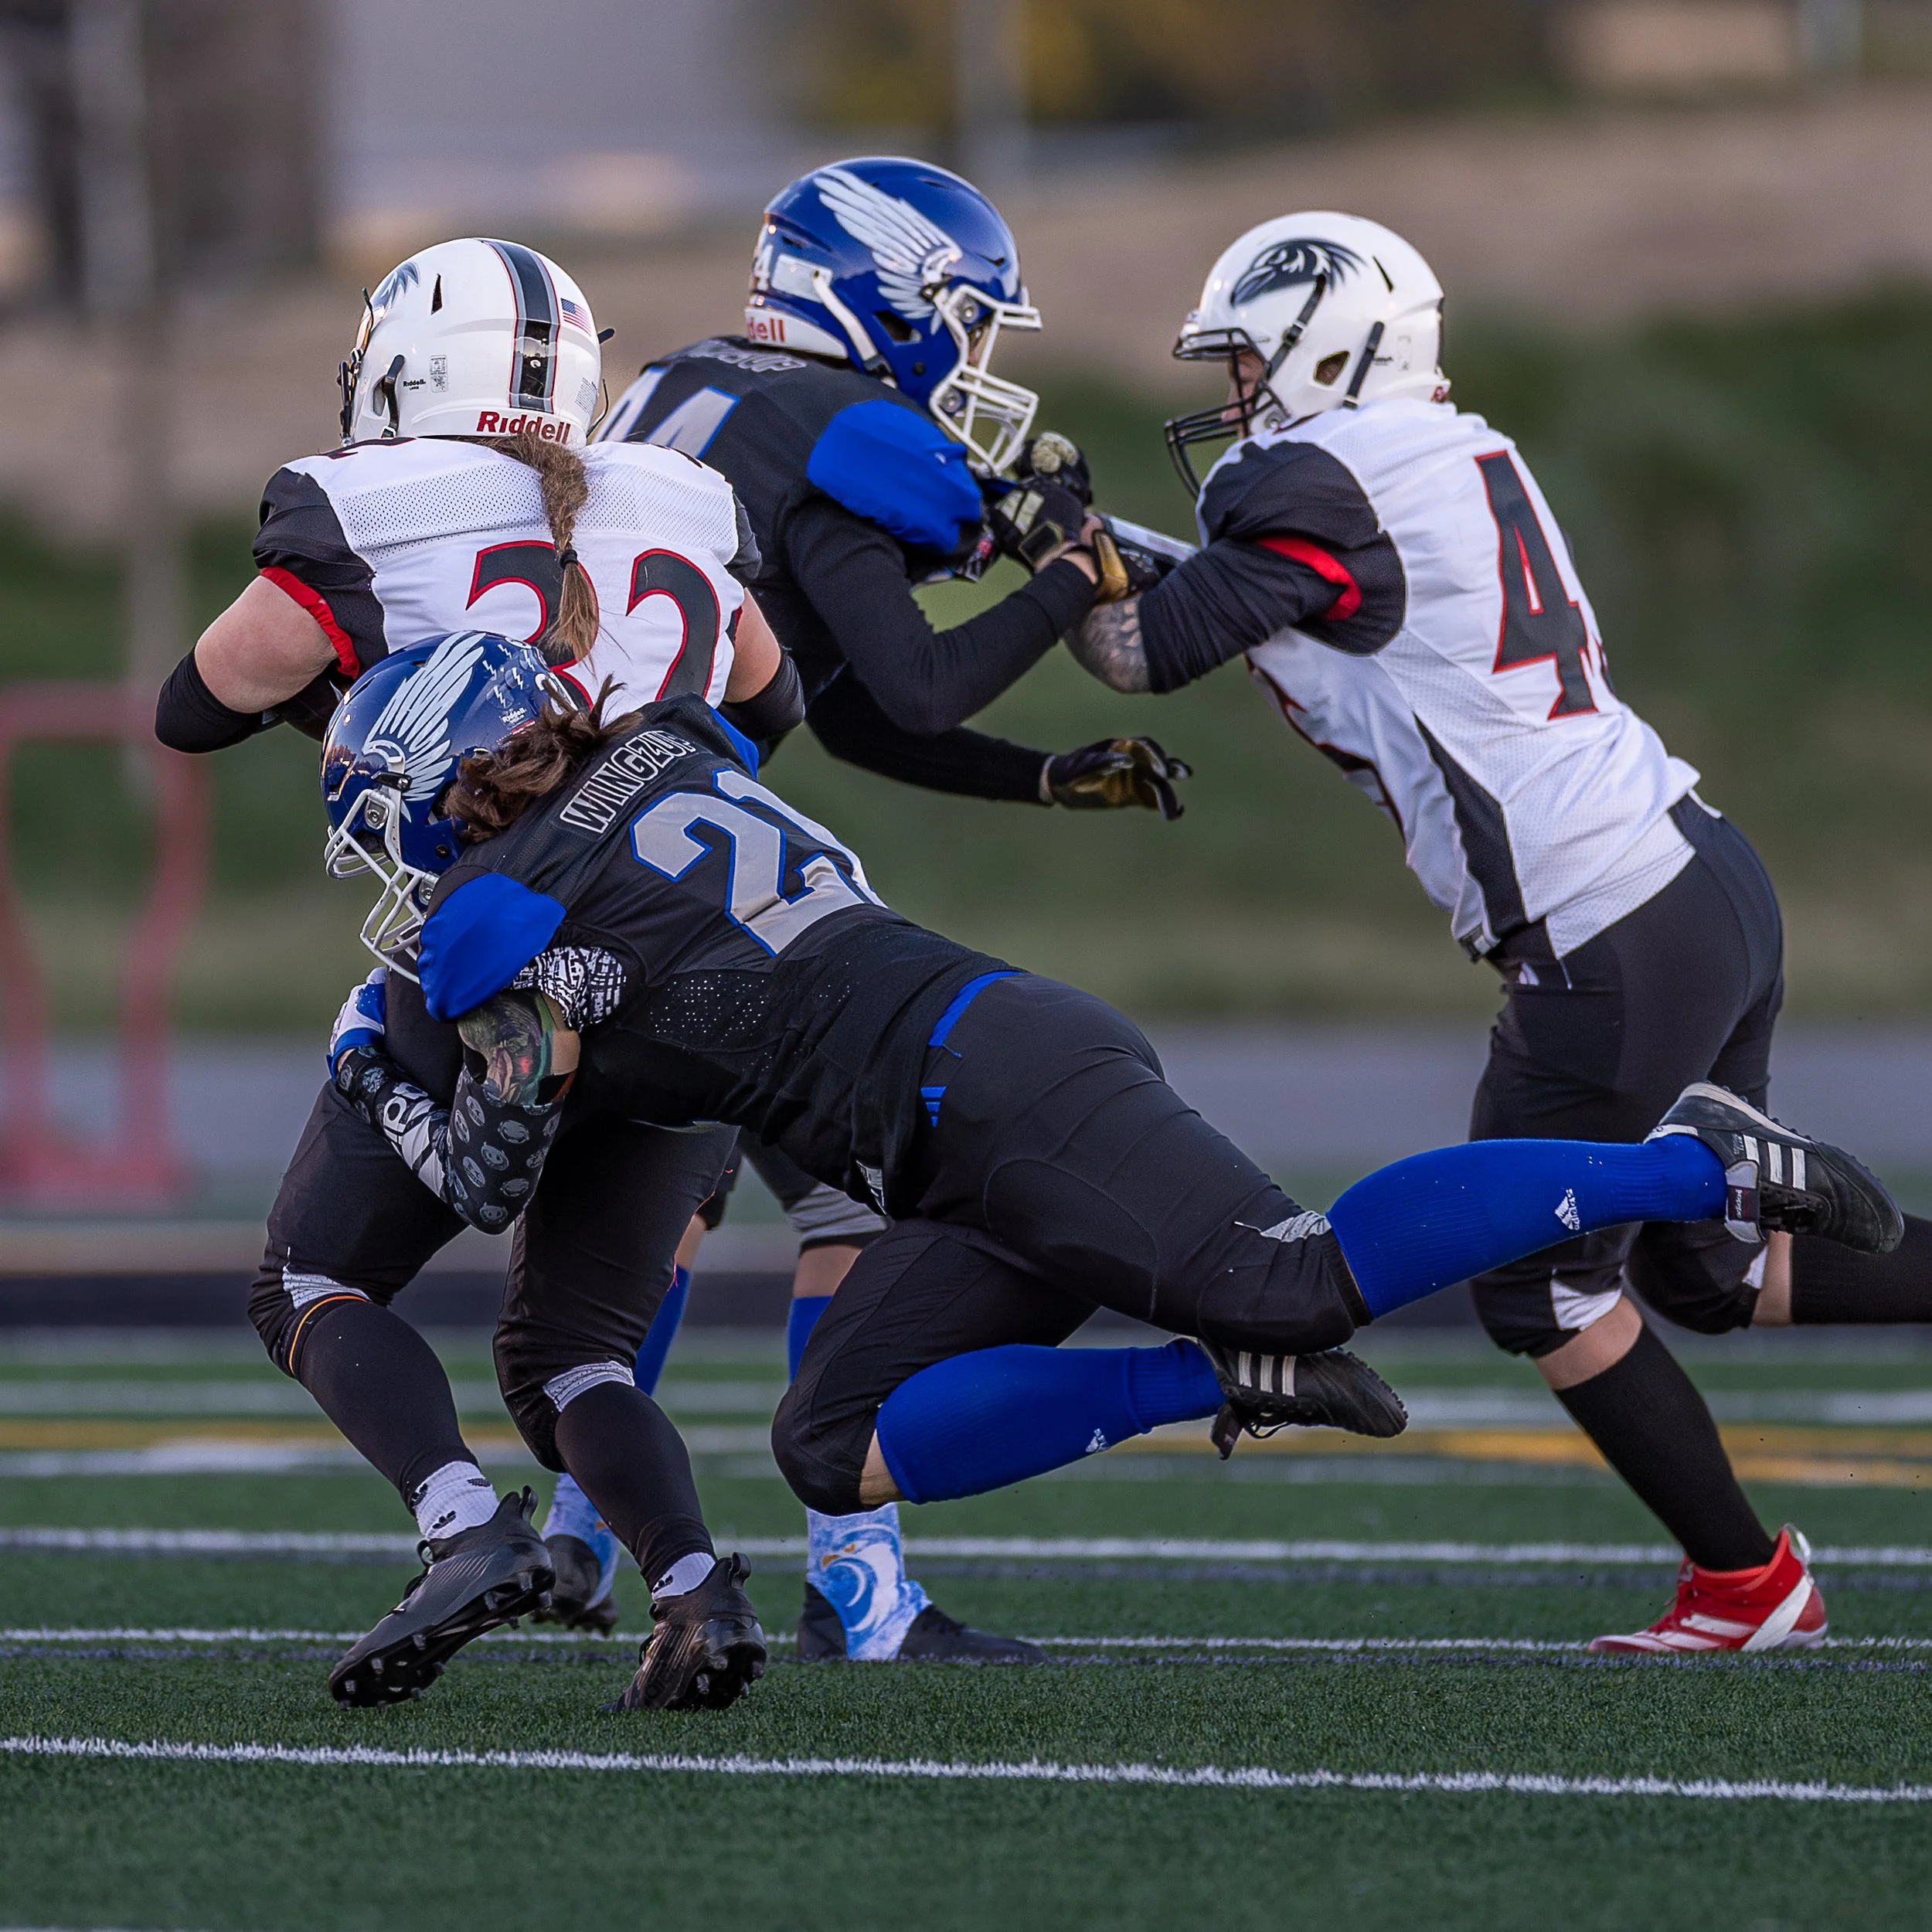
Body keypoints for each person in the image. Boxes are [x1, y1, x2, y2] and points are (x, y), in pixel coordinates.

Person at [315, 638, 1900, 1638]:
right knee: (825, 1441)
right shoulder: (668, 742)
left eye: (384, 811)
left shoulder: (487, 908)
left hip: (981, 1081)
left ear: (456, 782)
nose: (383, 857)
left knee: (1290, 1273)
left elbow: (483, 1178)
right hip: (942, 1114)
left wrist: (385, 1075)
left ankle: (1688, 1163)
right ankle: (1209, 1378)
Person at [1060, 208, 1932, 1654]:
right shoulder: (1444, 455)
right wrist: (1091, 552)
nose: (1230, 402)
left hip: (1605, 930)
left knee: (1535, 1280)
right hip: (1698, 876)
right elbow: (1283, 608)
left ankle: (1749, 1587)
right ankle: (1748, 1580)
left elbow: (1142, 650)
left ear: (1323, 344)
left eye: (1245, 363)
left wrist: (1045, 562)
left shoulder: (1314, 478)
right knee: (1704, 1269)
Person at [541, 155, 1188, 1661]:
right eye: (961, 318)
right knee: (843, 1189)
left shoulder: (694, 383)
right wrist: (1058, 582)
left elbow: (851, 711)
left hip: (587, 834)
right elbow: (907, 683)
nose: (968, 356)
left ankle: (578, 1525)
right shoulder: (847, 426)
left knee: (655, 1198)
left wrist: (1036, 779)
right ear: (888, 297)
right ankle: (852, 1579)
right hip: (680, 857)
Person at [154, 237, 802, 1711]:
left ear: (401, 372)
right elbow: (776, 699)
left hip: (506, 950)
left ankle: (463, 1528)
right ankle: (696, 1591)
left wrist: (385, 709)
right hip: (701, 960)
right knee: (577, 1351)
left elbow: (196, 702)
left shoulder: (361, 503)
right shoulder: (681, 493)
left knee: (311, 1277)